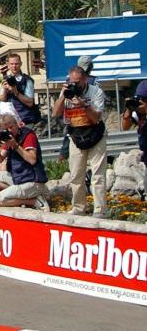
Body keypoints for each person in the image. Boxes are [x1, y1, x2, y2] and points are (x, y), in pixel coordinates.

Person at [52, 65, 106, 217]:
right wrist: (63, 95)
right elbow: (55, 113)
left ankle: (100, 210)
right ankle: (78, 208)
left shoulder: (96, 92)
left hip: (96, 134)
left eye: (77, 82)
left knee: (98, 175)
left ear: (85, 79)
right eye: (71, 81)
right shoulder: (67, 91)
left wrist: (84, 105)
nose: (74, 84)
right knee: (76, 175)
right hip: (76, 135)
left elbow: (96, 118)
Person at [0, 114, 49, 210]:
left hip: (33, 181)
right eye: (6, 129)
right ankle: (20, 195)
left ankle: (35, 201)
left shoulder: (28, 135)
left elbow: (32, 160)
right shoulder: (8, 138)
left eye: (11, 127)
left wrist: (16, 146)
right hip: (20, 178)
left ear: (17, 124)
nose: (9, 131)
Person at [0, 53, 41, 127]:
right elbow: (2, 101)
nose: (14, 66)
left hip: (25, 120)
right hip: (10, 121)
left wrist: (16, 92)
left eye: (16, 64)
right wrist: (5, 90)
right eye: (11, 64)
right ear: (8, 64)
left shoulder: (27, 80)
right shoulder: (6, 80)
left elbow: (30, 102)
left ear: (20, 64)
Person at [121, 79, 147, 164]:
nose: (141, 101)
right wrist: (128, 112)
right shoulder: (138, 110)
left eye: (144, 99)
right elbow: (125, 128)